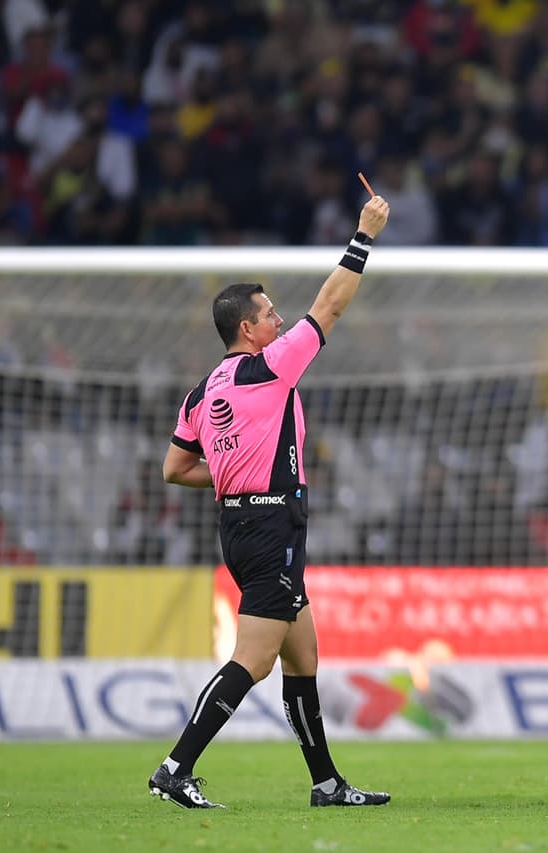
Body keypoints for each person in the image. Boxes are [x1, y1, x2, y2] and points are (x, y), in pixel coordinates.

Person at [148, 193, 393, 810]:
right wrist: (363, 236)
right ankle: (175, 768)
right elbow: (330, 306)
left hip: (243, 525)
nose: (280, 321)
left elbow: (176, 467)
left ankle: (327, 783)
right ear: (246, 329)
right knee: (252, 661)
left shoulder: (202, 391)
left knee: (302, 655)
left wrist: (231, 476)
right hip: (271, 525)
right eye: (269, 313)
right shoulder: (269, 369)